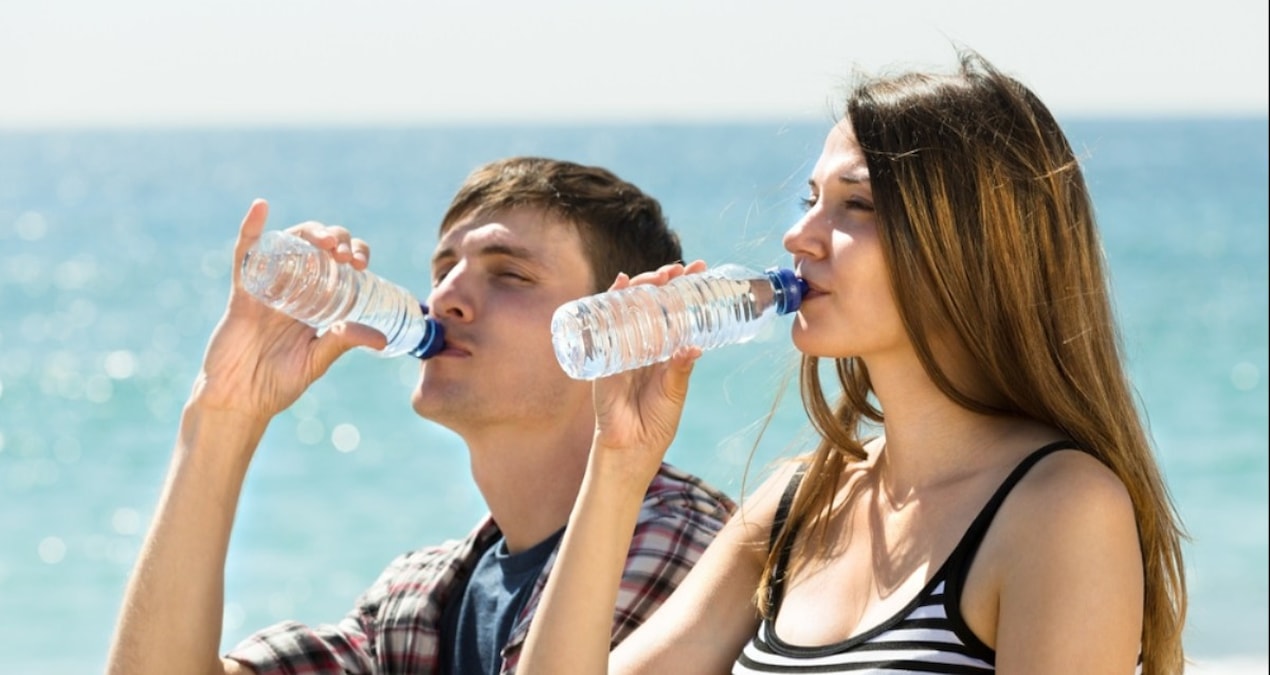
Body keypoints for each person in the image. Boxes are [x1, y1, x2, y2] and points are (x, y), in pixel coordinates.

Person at [518, 52, 1188, 674]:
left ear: (972, 244)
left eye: (855, 203)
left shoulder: (1060, 506)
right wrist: (617, 463)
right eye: (810, 199)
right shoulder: (797, 505)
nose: (797, 234)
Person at [105, 157, 736, 675]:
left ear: (619, 330)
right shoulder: (420, 599)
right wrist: (222, 415)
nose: (445, 298)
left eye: (509, 274)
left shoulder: (684, 545)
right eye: (443, 269)